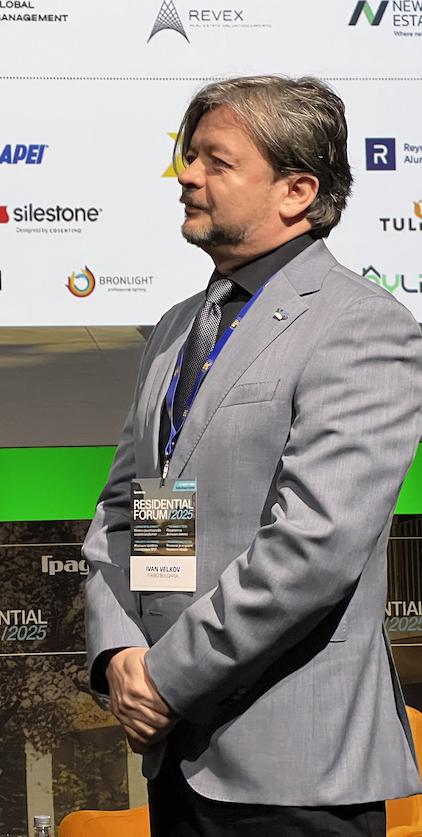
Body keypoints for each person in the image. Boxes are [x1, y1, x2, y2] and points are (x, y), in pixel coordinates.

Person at [83, 75, 422, 835]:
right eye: (189, 156)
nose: (187, 176)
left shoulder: (361, 325)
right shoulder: (178, 328)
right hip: (175, 756)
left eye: (216, 160)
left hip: (296, 774)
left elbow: (315, 547)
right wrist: (121, 655)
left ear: (297, 191)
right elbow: (134, 511)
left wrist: (168, 677)